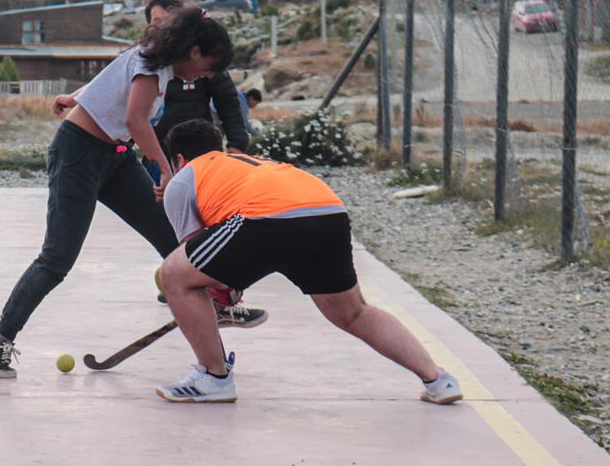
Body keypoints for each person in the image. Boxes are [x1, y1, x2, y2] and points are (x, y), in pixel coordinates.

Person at [0, 9, 260, 379]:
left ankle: (216, 303)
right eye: (209, 66)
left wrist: (77, 96)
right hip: (78, 155)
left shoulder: (153, 56)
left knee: (172, 237)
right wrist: (164, 167)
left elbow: (111, 78)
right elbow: (135, 120)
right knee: (58, 257)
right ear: (194, 52)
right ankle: (0, 335)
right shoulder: (151, 64)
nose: (207, 76)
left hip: (116, 156)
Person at [152, 119, 462, 405]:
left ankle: (214, 378)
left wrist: (222, 293)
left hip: (267, 219)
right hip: (327, 211)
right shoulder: (247, 164)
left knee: (174, 276)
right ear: (217, 146)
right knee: (353, 312)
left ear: (179, 160)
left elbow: (194, 264)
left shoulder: (183, 181)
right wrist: (226, 287)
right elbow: (217, 260)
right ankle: (439, 380)